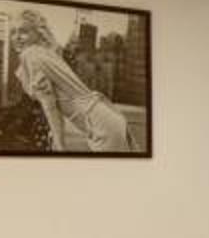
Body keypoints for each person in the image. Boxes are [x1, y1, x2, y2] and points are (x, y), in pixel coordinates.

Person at [10, 10, 132, 153]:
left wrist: (59, 145)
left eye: (23, 31)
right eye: (13, 32)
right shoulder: (45, 52)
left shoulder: (31, 55)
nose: (16, 37)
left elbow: (50, 108)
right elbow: (55, 105)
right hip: (108, 118)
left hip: (101, 126)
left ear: (38, 33)